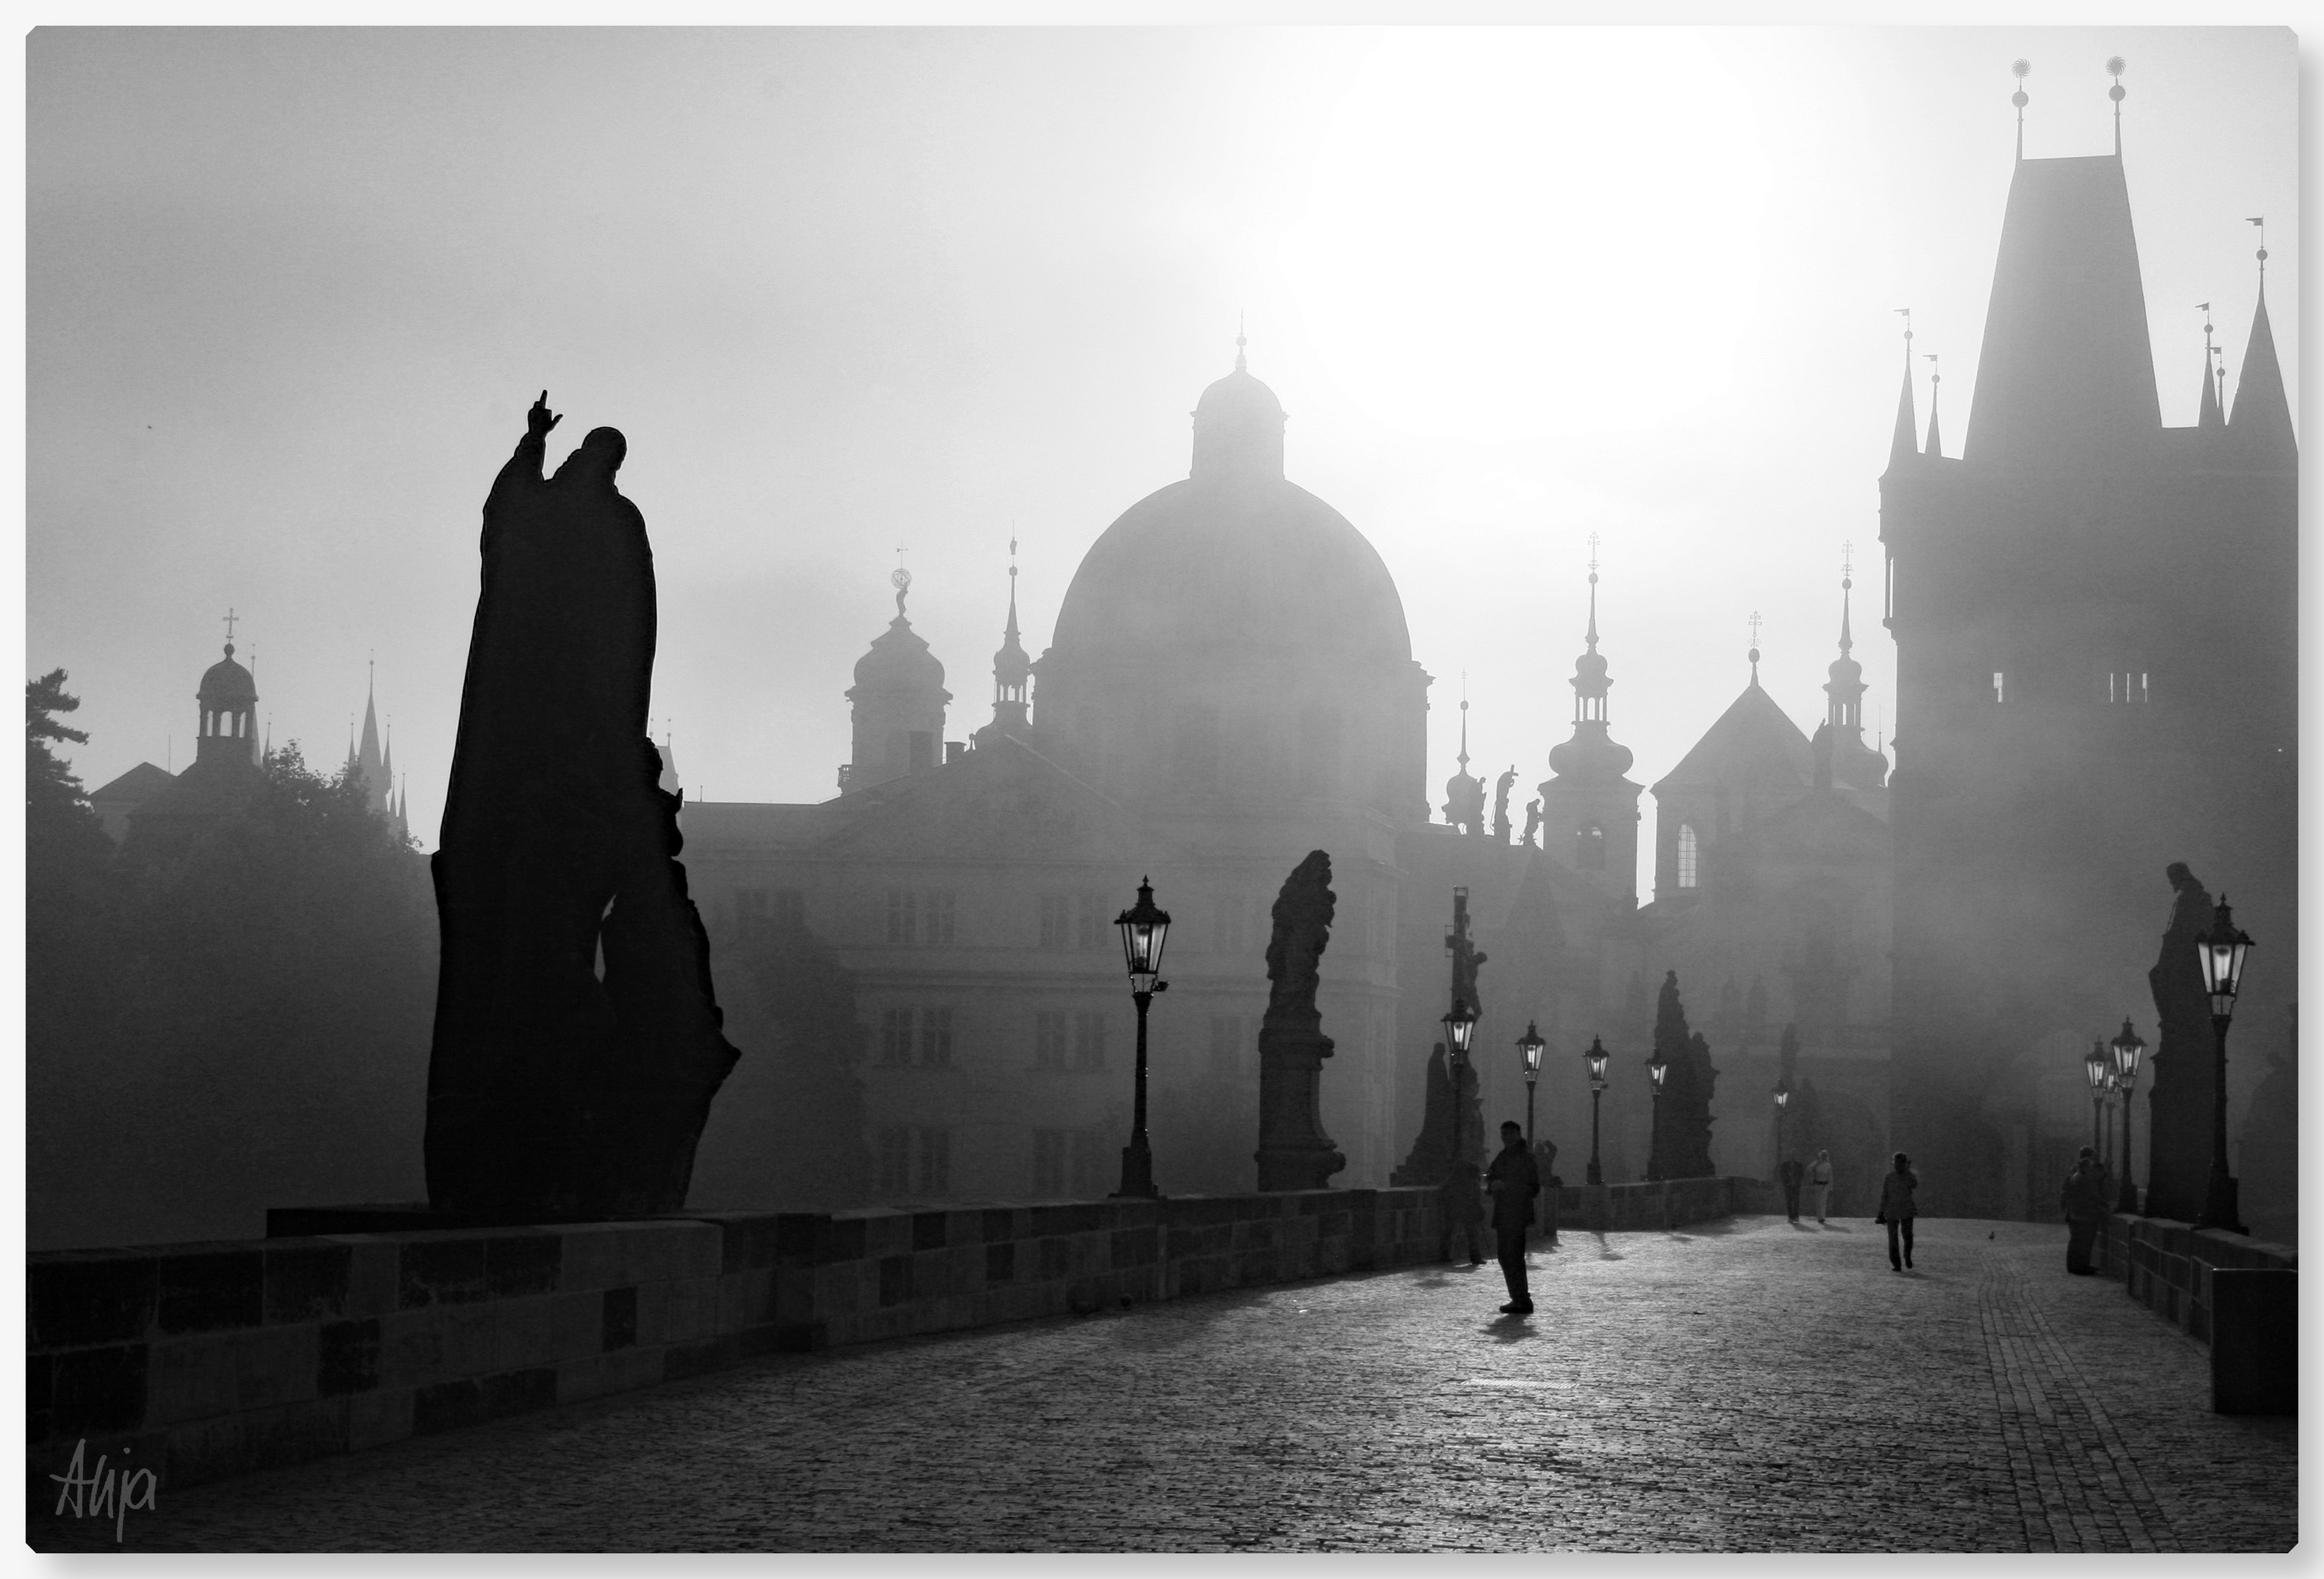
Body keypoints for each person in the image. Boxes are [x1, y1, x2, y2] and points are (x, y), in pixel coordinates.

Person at [1485, 1120, 1542, 1314]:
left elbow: (1533, 1187)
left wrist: (1506, 1186)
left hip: (1517, 1213)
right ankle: (1517, 1297)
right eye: (1503, 1135)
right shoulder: (1504, 1155)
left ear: (1518, 1134)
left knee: (1514, 1257)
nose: (1505, 1138)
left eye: (1509, 1134)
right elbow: (1491, 1174)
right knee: (1505, 1256)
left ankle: (1522, 1299)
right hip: (1504, 1212)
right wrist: (1492, 1184)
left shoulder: (1525, 1157)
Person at [2061, 1146, 2112, 1275]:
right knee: (2084, 1243)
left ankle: (2074, 1266)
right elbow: (2092, 1194)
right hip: (2084, 1215)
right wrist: (2104, 1203)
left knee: (2075, 1242)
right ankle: (2082, 1266)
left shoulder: (2076, 1175)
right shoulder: (2084, 1178)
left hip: (2075, 1214)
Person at [1874, 1151, 1918, 1270]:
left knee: (1908, 1236)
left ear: (1904, 1164)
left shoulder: (1909, 1176)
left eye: (1900, 1164)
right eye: (1896, 1164)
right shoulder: (1889, 1178)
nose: (1897, 1166)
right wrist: (1880, 1212)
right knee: (1893, 1238)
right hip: (1892, 1210)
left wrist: (1908, 1172)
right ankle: (1896, 1263)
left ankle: (1907, 1255)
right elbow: (1885, 1195)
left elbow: (1914, 1184)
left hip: (1906, 1209)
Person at [1439, 1157, 1485, 1268]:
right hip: (1467, 1211)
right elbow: (1475, 1199)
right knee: (1472, 1234)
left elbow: (1443, 1193)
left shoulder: (1452, 1181)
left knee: (1449, 1232)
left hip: (1451, 1209)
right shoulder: (1472, 1182)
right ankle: (1476, 1257)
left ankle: (1445, 1256)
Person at [1807, 1150, 1834, 1224]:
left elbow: (1830, 1176)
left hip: (1825, 1184)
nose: (1824, 1157)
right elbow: (1809, 1169)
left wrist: (1831, 1186)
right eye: (1822, 1155)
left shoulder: (1828, 1165)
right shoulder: (1816, 1164)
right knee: (1818, 1201)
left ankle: (1823, 1217)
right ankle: (1819, 1217)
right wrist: (1815, 1163)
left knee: (1823, 1201)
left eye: (1825, 1156)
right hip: (1818, 1184)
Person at [1779, 1155, 1805, 1222]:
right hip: (1788, 1185)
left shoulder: (1799, 1165)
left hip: (1796, 1186)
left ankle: (1796, 1216)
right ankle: (1790, 1217)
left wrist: (1799, 1181)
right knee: (1789, 1202)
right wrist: (1785, 1182)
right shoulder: (1785, 1165)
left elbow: (1802, 1174)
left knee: (1796, 1202)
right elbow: (1782, 1173)